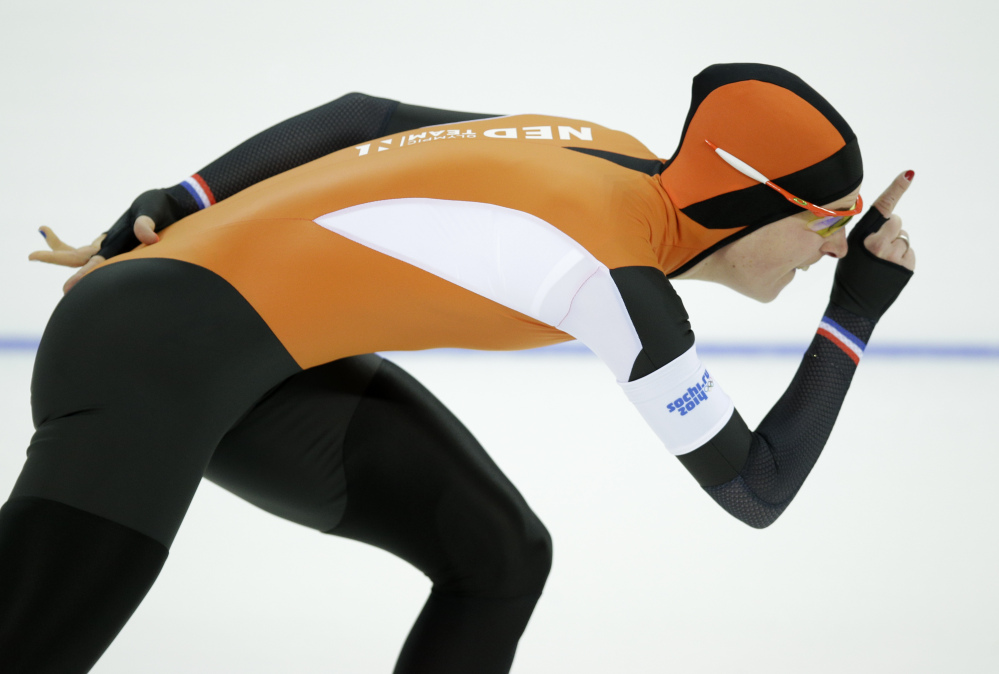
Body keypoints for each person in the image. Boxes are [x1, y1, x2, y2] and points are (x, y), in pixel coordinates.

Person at [1, 63, 915, 673]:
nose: (837, 250)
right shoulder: (615, 277)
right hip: (150, 351)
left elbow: (364, 120)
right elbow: (756, 489)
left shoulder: (612, 151)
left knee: (497, 555)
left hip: (259, 359)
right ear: (753, 206)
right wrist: (854, 314)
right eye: (831, 223)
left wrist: (182, 197)